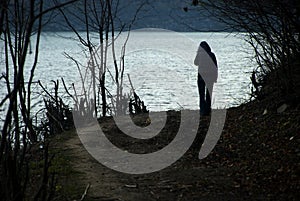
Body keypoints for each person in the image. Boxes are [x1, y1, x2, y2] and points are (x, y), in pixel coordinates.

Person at [194, 41, 218, 116]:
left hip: (201, 77)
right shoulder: (212, 55)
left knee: (201, 94)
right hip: (210, 77)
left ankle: (202, 110)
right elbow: (215, 67)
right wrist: (215, 77)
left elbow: (195, 63)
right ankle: (208, 110)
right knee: (209, 94)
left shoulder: (200, 55)